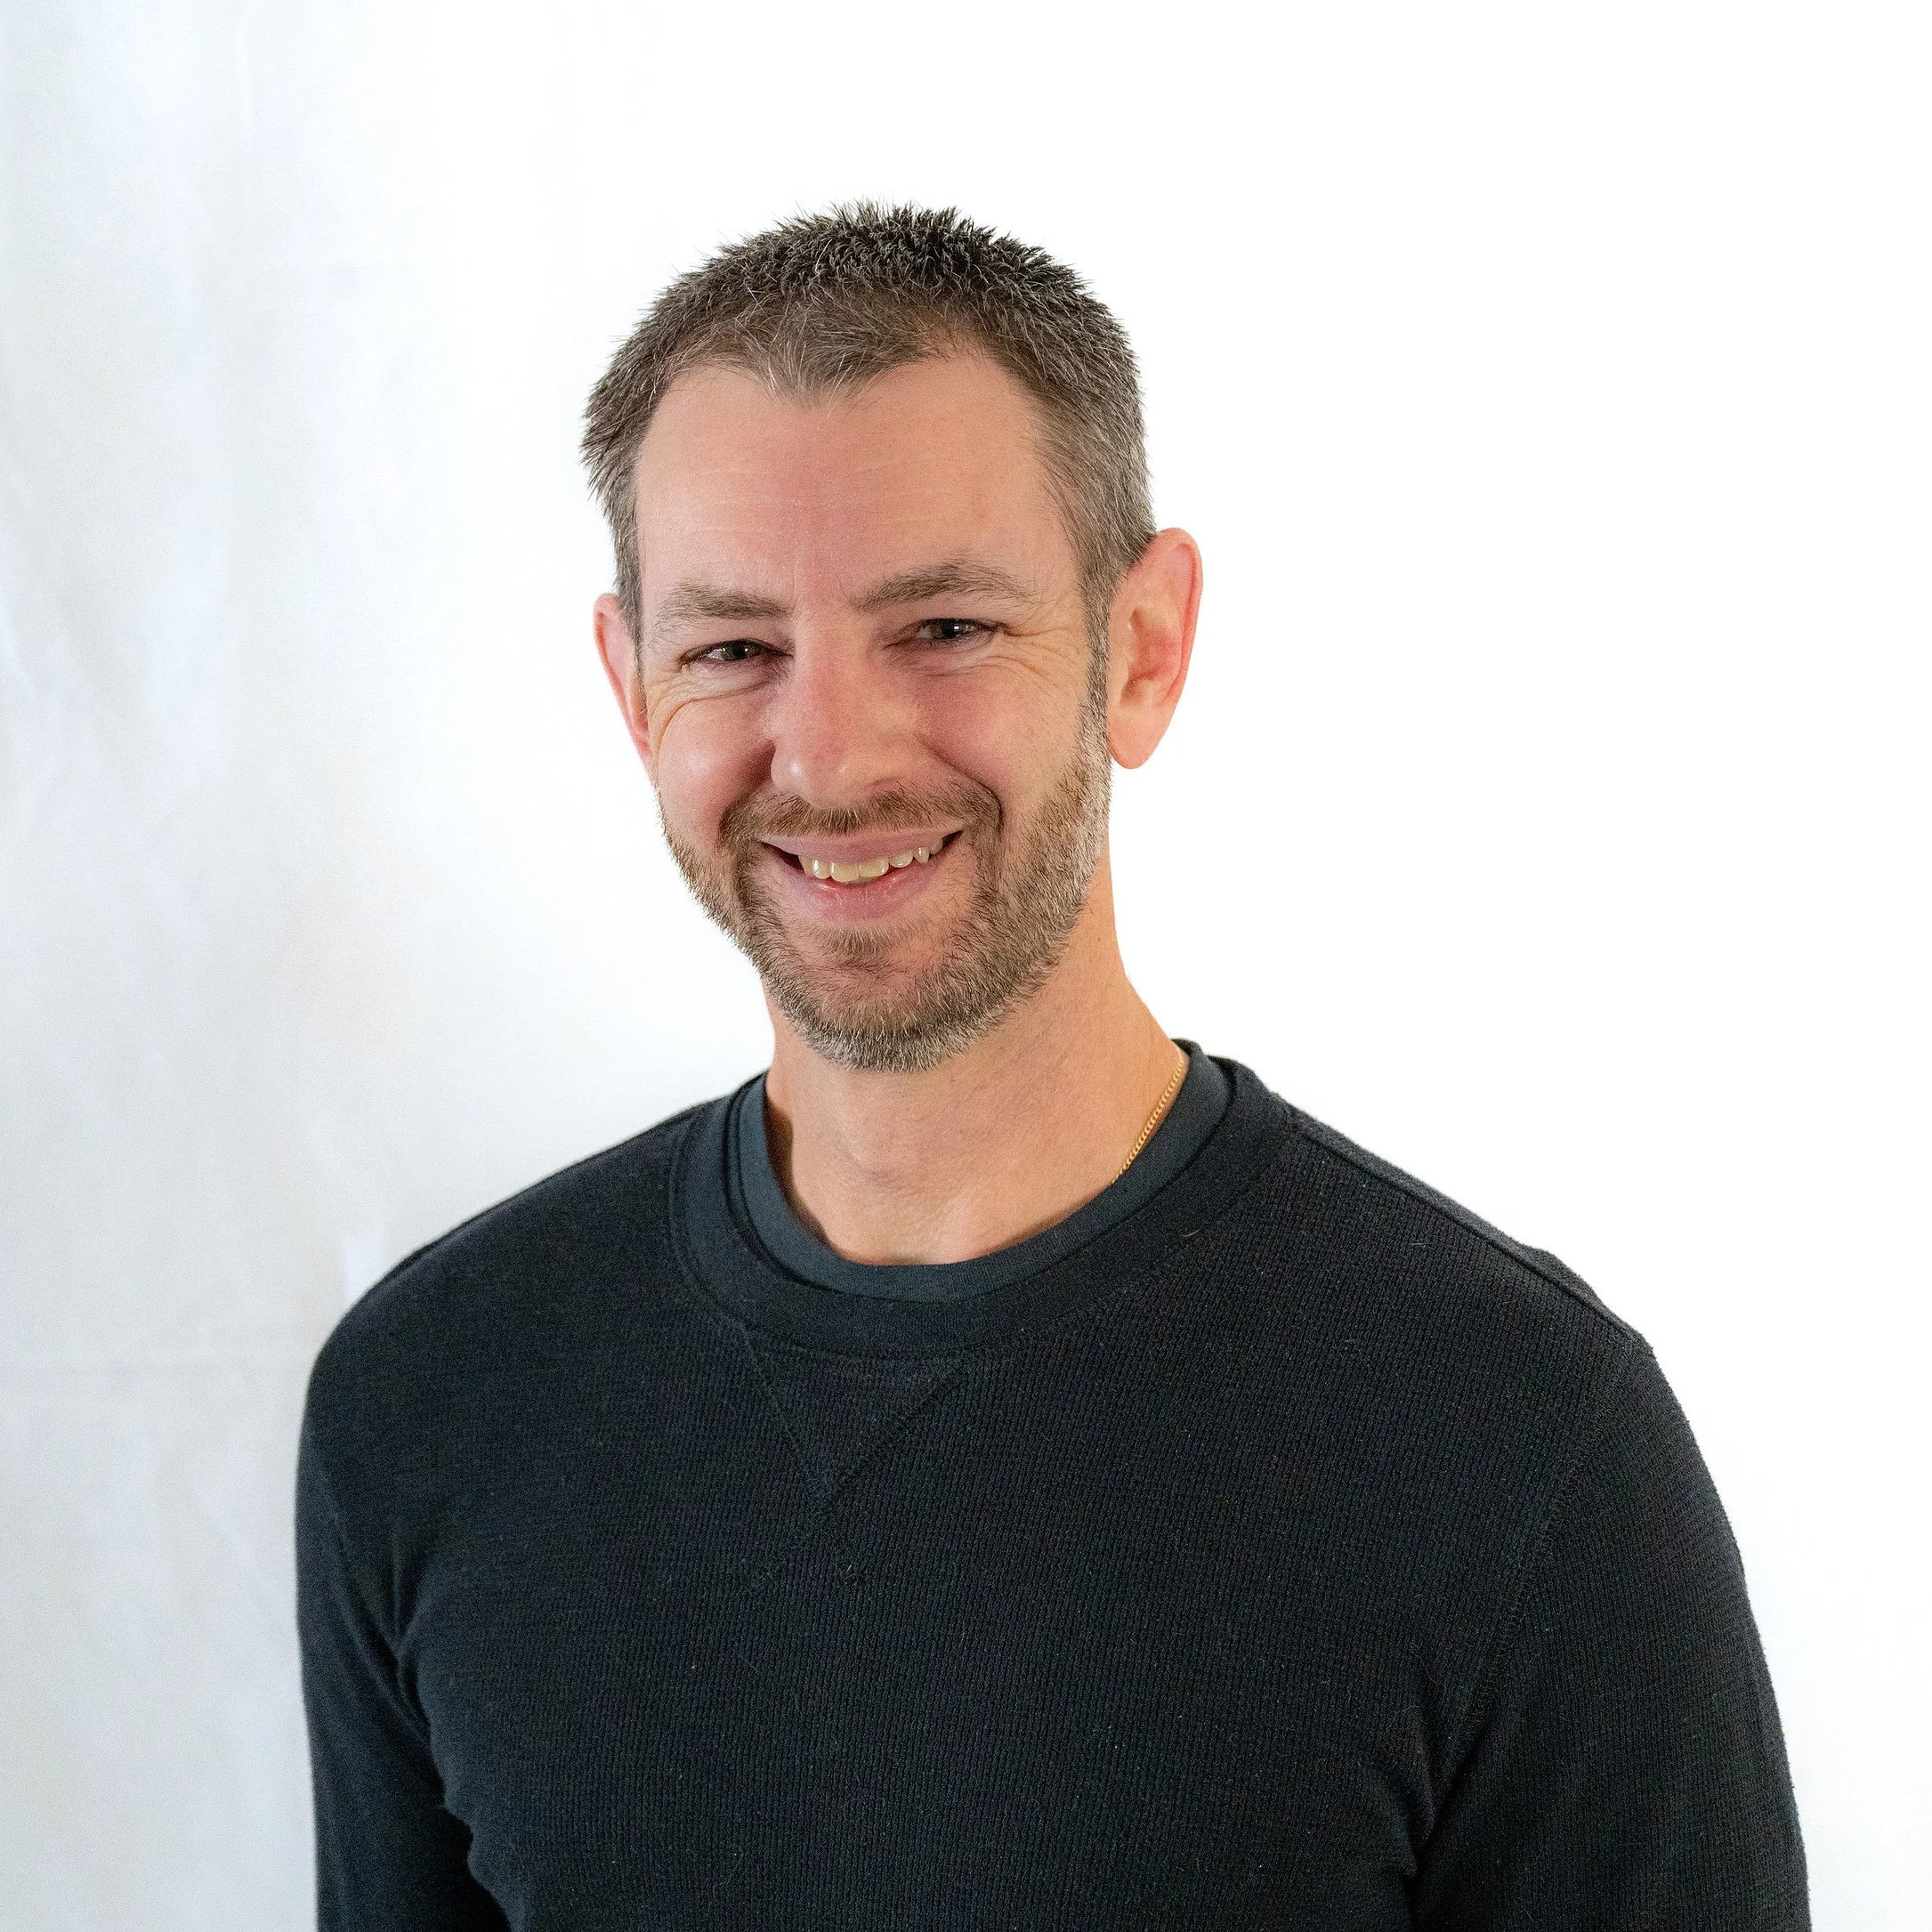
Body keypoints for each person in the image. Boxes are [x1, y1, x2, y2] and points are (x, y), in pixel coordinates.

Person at [296, 205, 1807, 1930]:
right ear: (633, 687)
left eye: (942, 625)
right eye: (731, 647)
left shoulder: (1515, 1440)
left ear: (1141, 648)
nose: (829, 753)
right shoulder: (432, 1400)